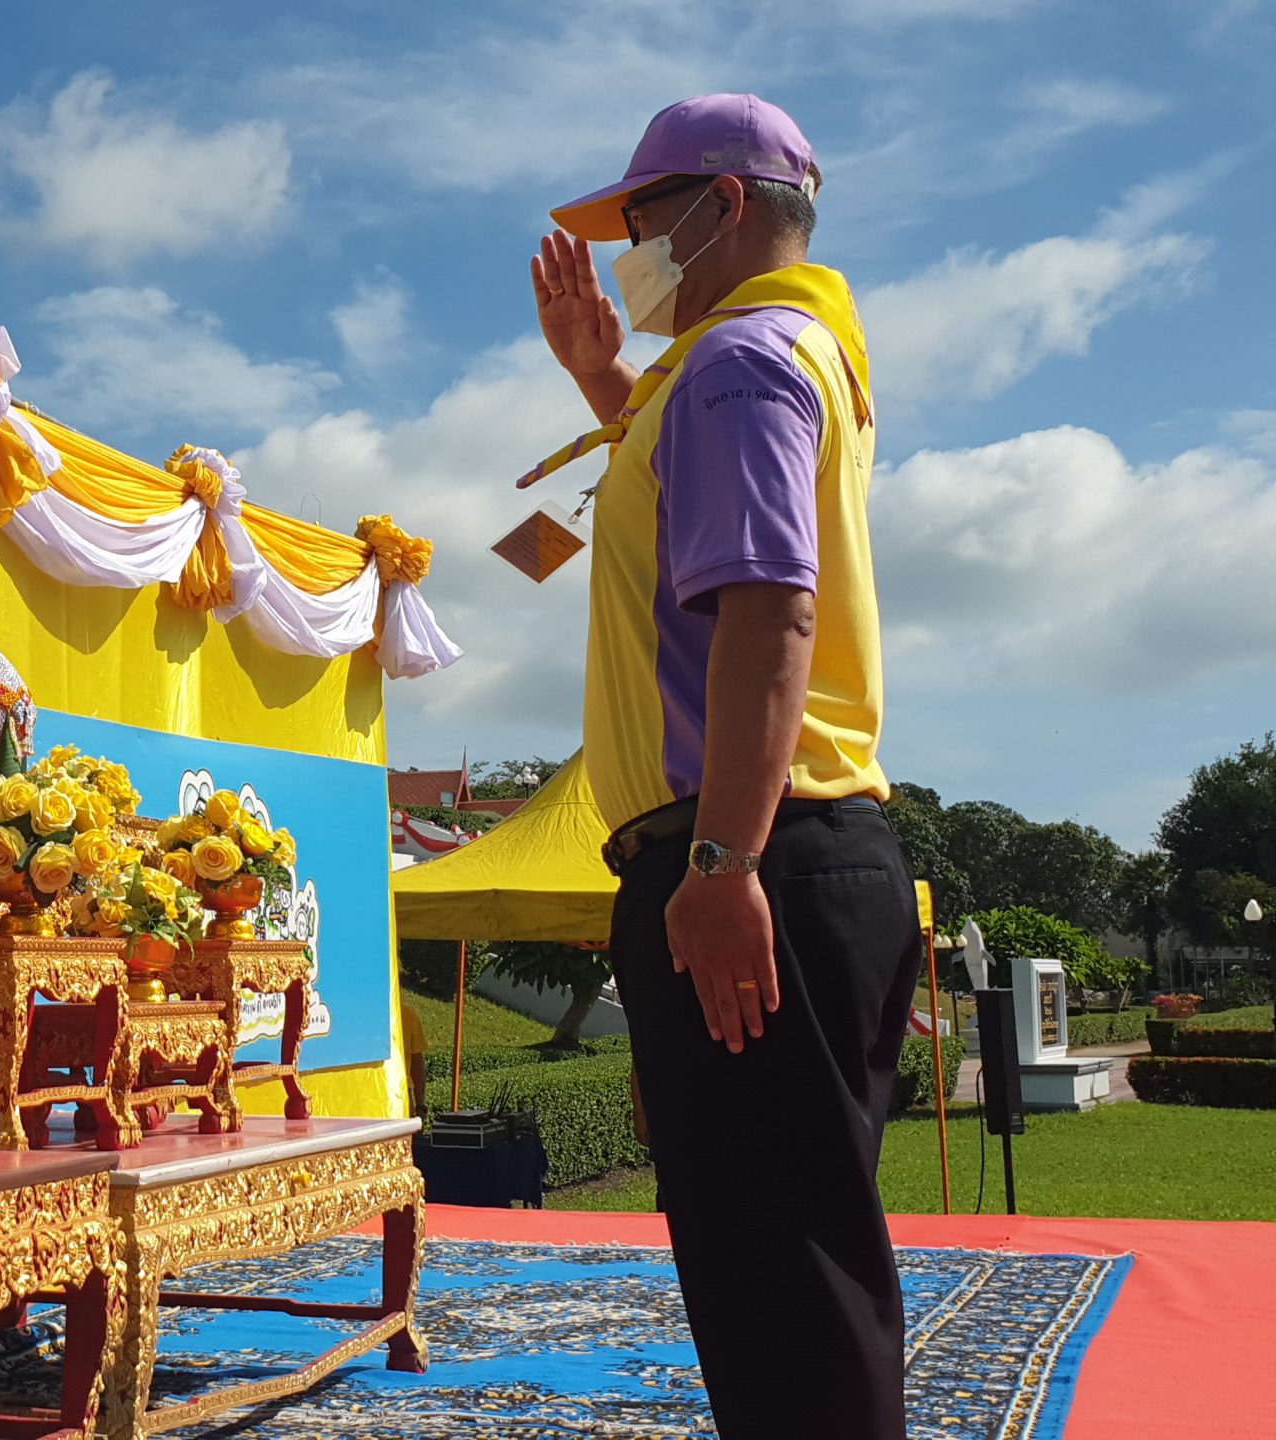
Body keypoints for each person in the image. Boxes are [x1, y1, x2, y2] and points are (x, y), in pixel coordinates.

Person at [526, 94, 920, 1438]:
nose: (628, 252)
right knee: (780, 1266)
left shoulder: (741, 361)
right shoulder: (784, 353)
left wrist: (719, 860)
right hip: (788, 850)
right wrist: (600, 384)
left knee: (784, 1281)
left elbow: (766, 609)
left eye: (642, 220)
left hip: (755, 849)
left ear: (724, 207)